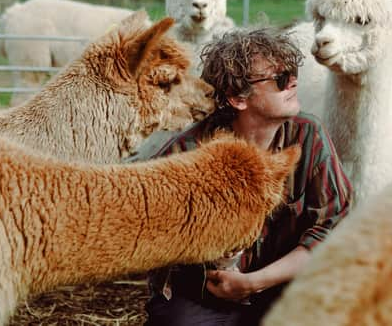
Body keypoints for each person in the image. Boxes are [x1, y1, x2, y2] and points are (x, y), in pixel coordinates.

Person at [130, 27, 354, 326]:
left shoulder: (308, 136)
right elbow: (149, 237)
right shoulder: (185, 155)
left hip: (283, 287)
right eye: (280, 79)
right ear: (238, 98)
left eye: (292, 73)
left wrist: (255, 281)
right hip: (202, 296)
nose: (293, 82)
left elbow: (333, 228)